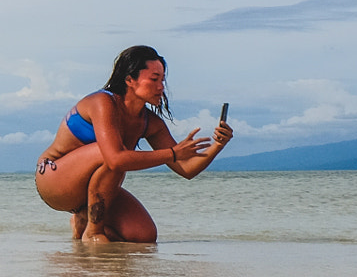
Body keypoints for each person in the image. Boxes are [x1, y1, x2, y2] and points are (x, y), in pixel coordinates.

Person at [34, 44, 231, 244]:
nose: (161, 87)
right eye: (154, 79)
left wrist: (217, 145)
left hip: (92, 190)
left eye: (162, 80)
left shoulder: (150, 122)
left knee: (144, 236)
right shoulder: (103, 102)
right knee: (114, 155)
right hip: (54, 178)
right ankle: (93, 232)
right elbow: (116, 159)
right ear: (129, 80)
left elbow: (186, 169)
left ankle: (83, 221)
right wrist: (172, 153)